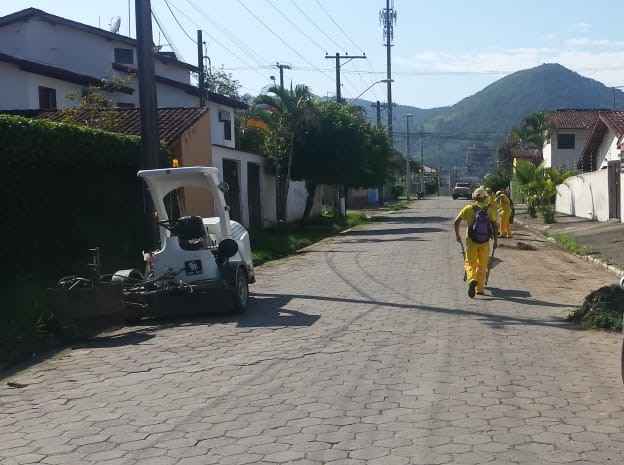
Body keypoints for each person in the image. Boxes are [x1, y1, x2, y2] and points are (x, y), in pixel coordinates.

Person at [454, 187, 498, 298]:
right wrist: (496, 241)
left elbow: (456, 221)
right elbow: (494, 225)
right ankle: (480, 289)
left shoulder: (468, 208)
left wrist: (457, 235)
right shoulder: (489, 209)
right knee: (482, 265)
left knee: (470, 263)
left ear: (474, 197)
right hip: (485, 241)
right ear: (485, 198)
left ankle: (472, 279)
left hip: (471, 241)